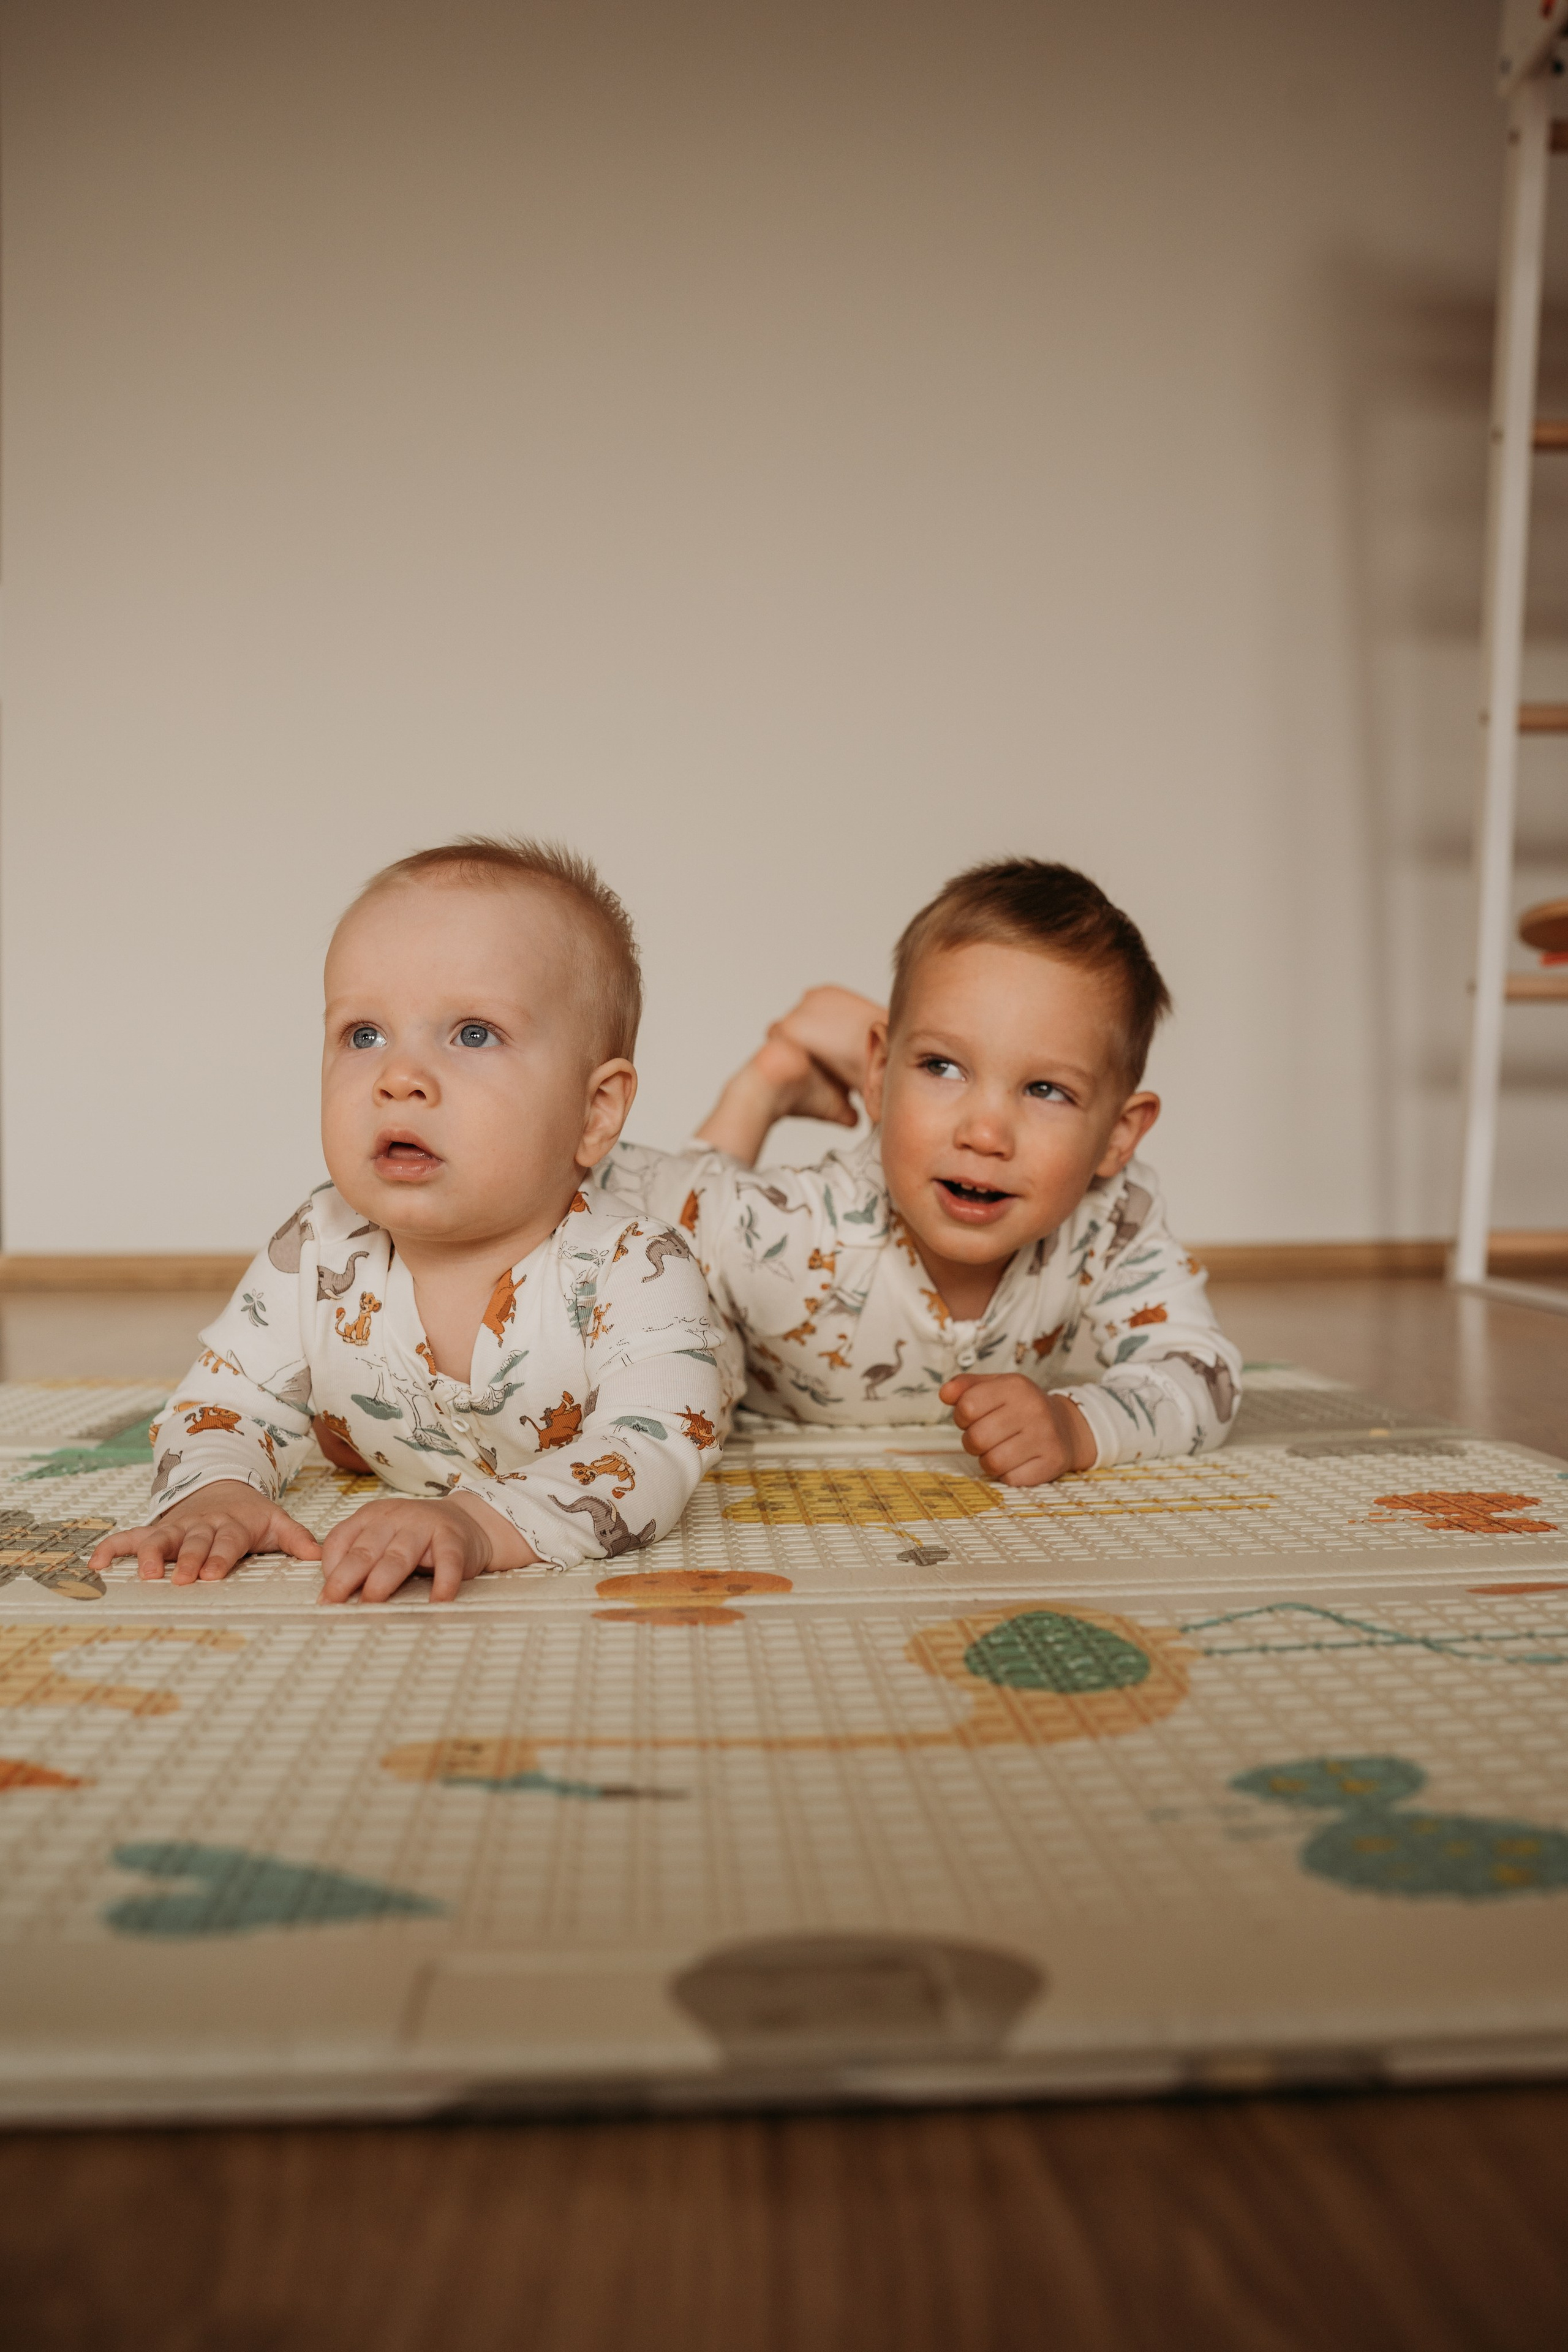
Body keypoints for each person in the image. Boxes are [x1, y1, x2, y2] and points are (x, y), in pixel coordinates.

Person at [92, 838, 736, 1604]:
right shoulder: (319, 1244)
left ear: (594, 1111)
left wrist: (475, 1523)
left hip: (729, 1303)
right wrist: (215, 1489)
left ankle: (758, 1095)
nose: (399, 1078)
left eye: (473, 1033)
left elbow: (650, 1447)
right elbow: (223, 1403)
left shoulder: (635, 1264)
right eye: (364, 1035)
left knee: (737, 1232)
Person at [589, 858, 1240, 1484]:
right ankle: (768, 1083)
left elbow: (1200, 1373)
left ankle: (858, 1044)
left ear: (1117, 1137)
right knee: (693, 1313)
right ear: (879, 1075)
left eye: (1045, 1090)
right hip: (752, 1298)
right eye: (943, 1067)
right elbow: (636, 1187)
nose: (984, 1135)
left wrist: (1075, 1425)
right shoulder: (799, 1229)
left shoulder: (1112, 1219)